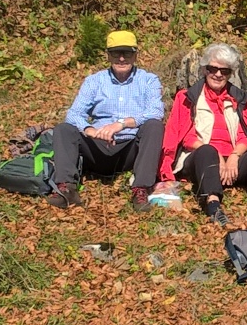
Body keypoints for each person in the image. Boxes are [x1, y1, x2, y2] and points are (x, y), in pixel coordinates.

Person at [156, 43, 247, 227]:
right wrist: (217, 156)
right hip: (201, 159)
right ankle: (213, 206)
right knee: (207, 151)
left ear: (230, 74)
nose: (218, 74)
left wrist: (234, 156)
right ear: (205, 70)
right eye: (213, 69)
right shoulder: (189, 97)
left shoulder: (237, 98)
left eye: (224, 71)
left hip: (232, 164)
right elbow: (187, 137)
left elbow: (245, 135)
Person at [46, 30, 166, 209]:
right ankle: (67, 188)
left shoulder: (148, 80)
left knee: (154, 126)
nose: (122, 59)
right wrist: (90, 130)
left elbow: (155, 111)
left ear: (135, 55)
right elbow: (74, 113)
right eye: (116, 53)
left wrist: (121, 124)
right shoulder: (94, 81)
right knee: (64, 129)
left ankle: (141, 189)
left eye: (127, 53)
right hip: (97, 148)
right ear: (108, 55)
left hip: (130, 149)